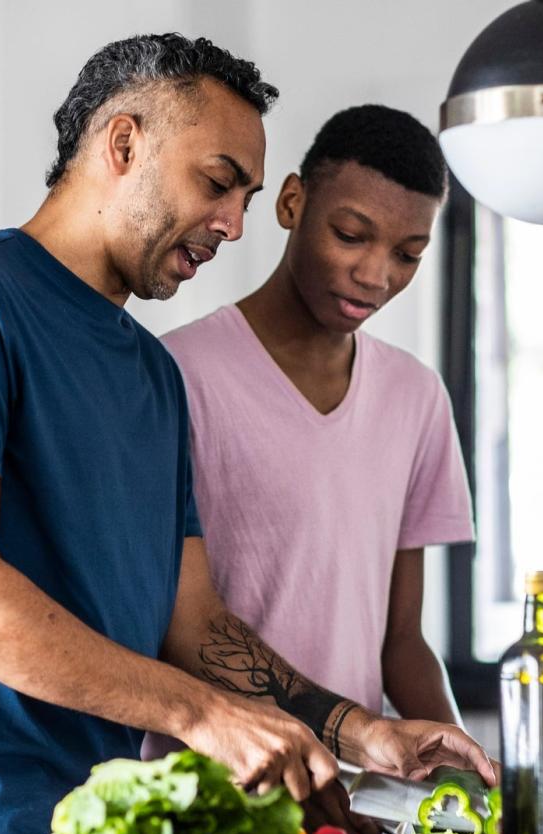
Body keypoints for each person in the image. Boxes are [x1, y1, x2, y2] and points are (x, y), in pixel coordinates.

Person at [0, 36, 493, 834]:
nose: (233, 224)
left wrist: (358, 730)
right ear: (124, 144)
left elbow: (196, 623)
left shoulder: (151, 373)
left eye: (245, 196)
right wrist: (205, 717)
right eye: (216, 183)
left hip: (100, 833)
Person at [153, 106, 478, 779]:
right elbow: (172, 620)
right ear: (293, 202)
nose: (376, 274)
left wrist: (473, 780)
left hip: (356, 803)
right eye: (352, 235)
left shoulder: (416, 398)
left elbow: (402, 641)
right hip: (210, 793)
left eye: (408, 254)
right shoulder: (173, 375)